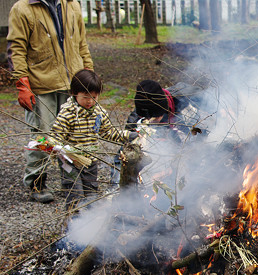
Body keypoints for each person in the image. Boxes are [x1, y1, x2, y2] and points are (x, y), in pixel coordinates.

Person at [7, 0, 93, 203]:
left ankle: (71, 183)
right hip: (40, 84)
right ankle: (37, 183)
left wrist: (88, 74)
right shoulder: (22, 8)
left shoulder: (73, 5)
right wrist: (22, 84)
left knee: (74, 134)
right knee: (43, 137)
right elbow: (16, 48)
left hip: (73, 82)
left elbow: (81, 43)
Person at [49, 69, 137, 211]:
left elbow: (108, 132)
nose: (90, 101)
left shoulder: (99, 113)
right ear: (74, 93)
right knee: (74, 195)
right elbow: (56, 136)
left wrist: (129, 135)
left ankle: (90, 224)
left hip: (91, 161)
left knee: (91, 195)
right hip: (71, 162)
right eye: (85, 97)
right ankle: (72, 226)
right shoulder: (68, 113)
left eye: (94, 97)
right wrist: (53, 145)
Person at [110, 79, 210, 187]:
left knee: (197, 144)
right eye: (146, 118)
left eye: (154, 117)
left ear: (162, 109)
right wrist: (118, 184)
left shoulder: (182, 95)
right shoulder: (137, 120)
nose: (150, 121)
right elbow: (125, 154)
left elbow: (210, 100)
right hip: (168, 148)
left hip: (189, 128)